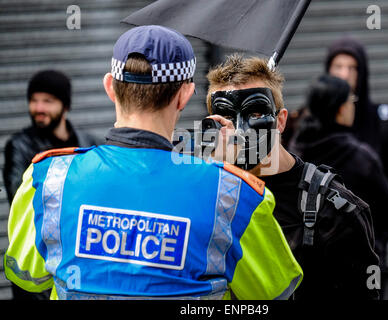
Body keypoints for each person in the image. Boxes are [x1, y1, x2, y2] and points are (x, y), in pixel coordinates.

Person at [4, 25, 302, 300]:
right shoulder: (236, 197)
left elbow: (27, 275)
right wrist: (224, 175)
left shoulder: (47, 180)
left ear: (110, 87)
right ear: (185, 94)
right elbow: (274, 292)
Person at [205, 54, 380, 300]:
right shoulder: (203, 200)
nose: (239, 130)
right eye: (226, 117)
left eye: (255, 113)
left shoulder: (334, 211)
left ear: (281, 121)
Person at [288, 75, 388, 275]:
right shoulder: (361, 158)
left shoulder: (293, 152)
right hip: (358, 269)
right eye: (351, 100)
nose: (353, 105)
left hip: (305, 266)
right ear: (341, 109)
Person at [2, 69, 98, 300]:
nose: (38, 108)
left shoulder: (87, 142)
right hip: (39, 273)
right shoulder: (20, 145)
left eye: (48, 101)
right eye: (34, 100)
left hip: (79, 269)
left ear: (65, 105)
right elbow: (30, 199)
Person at [325, 36, 388, 242]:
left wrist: (383, 234)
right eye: (338, 66)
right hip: (324, 249)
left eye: (352, 67)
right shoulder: (312, 124)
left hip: (370, 246)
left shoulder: (386, 122)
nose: (344, 74)